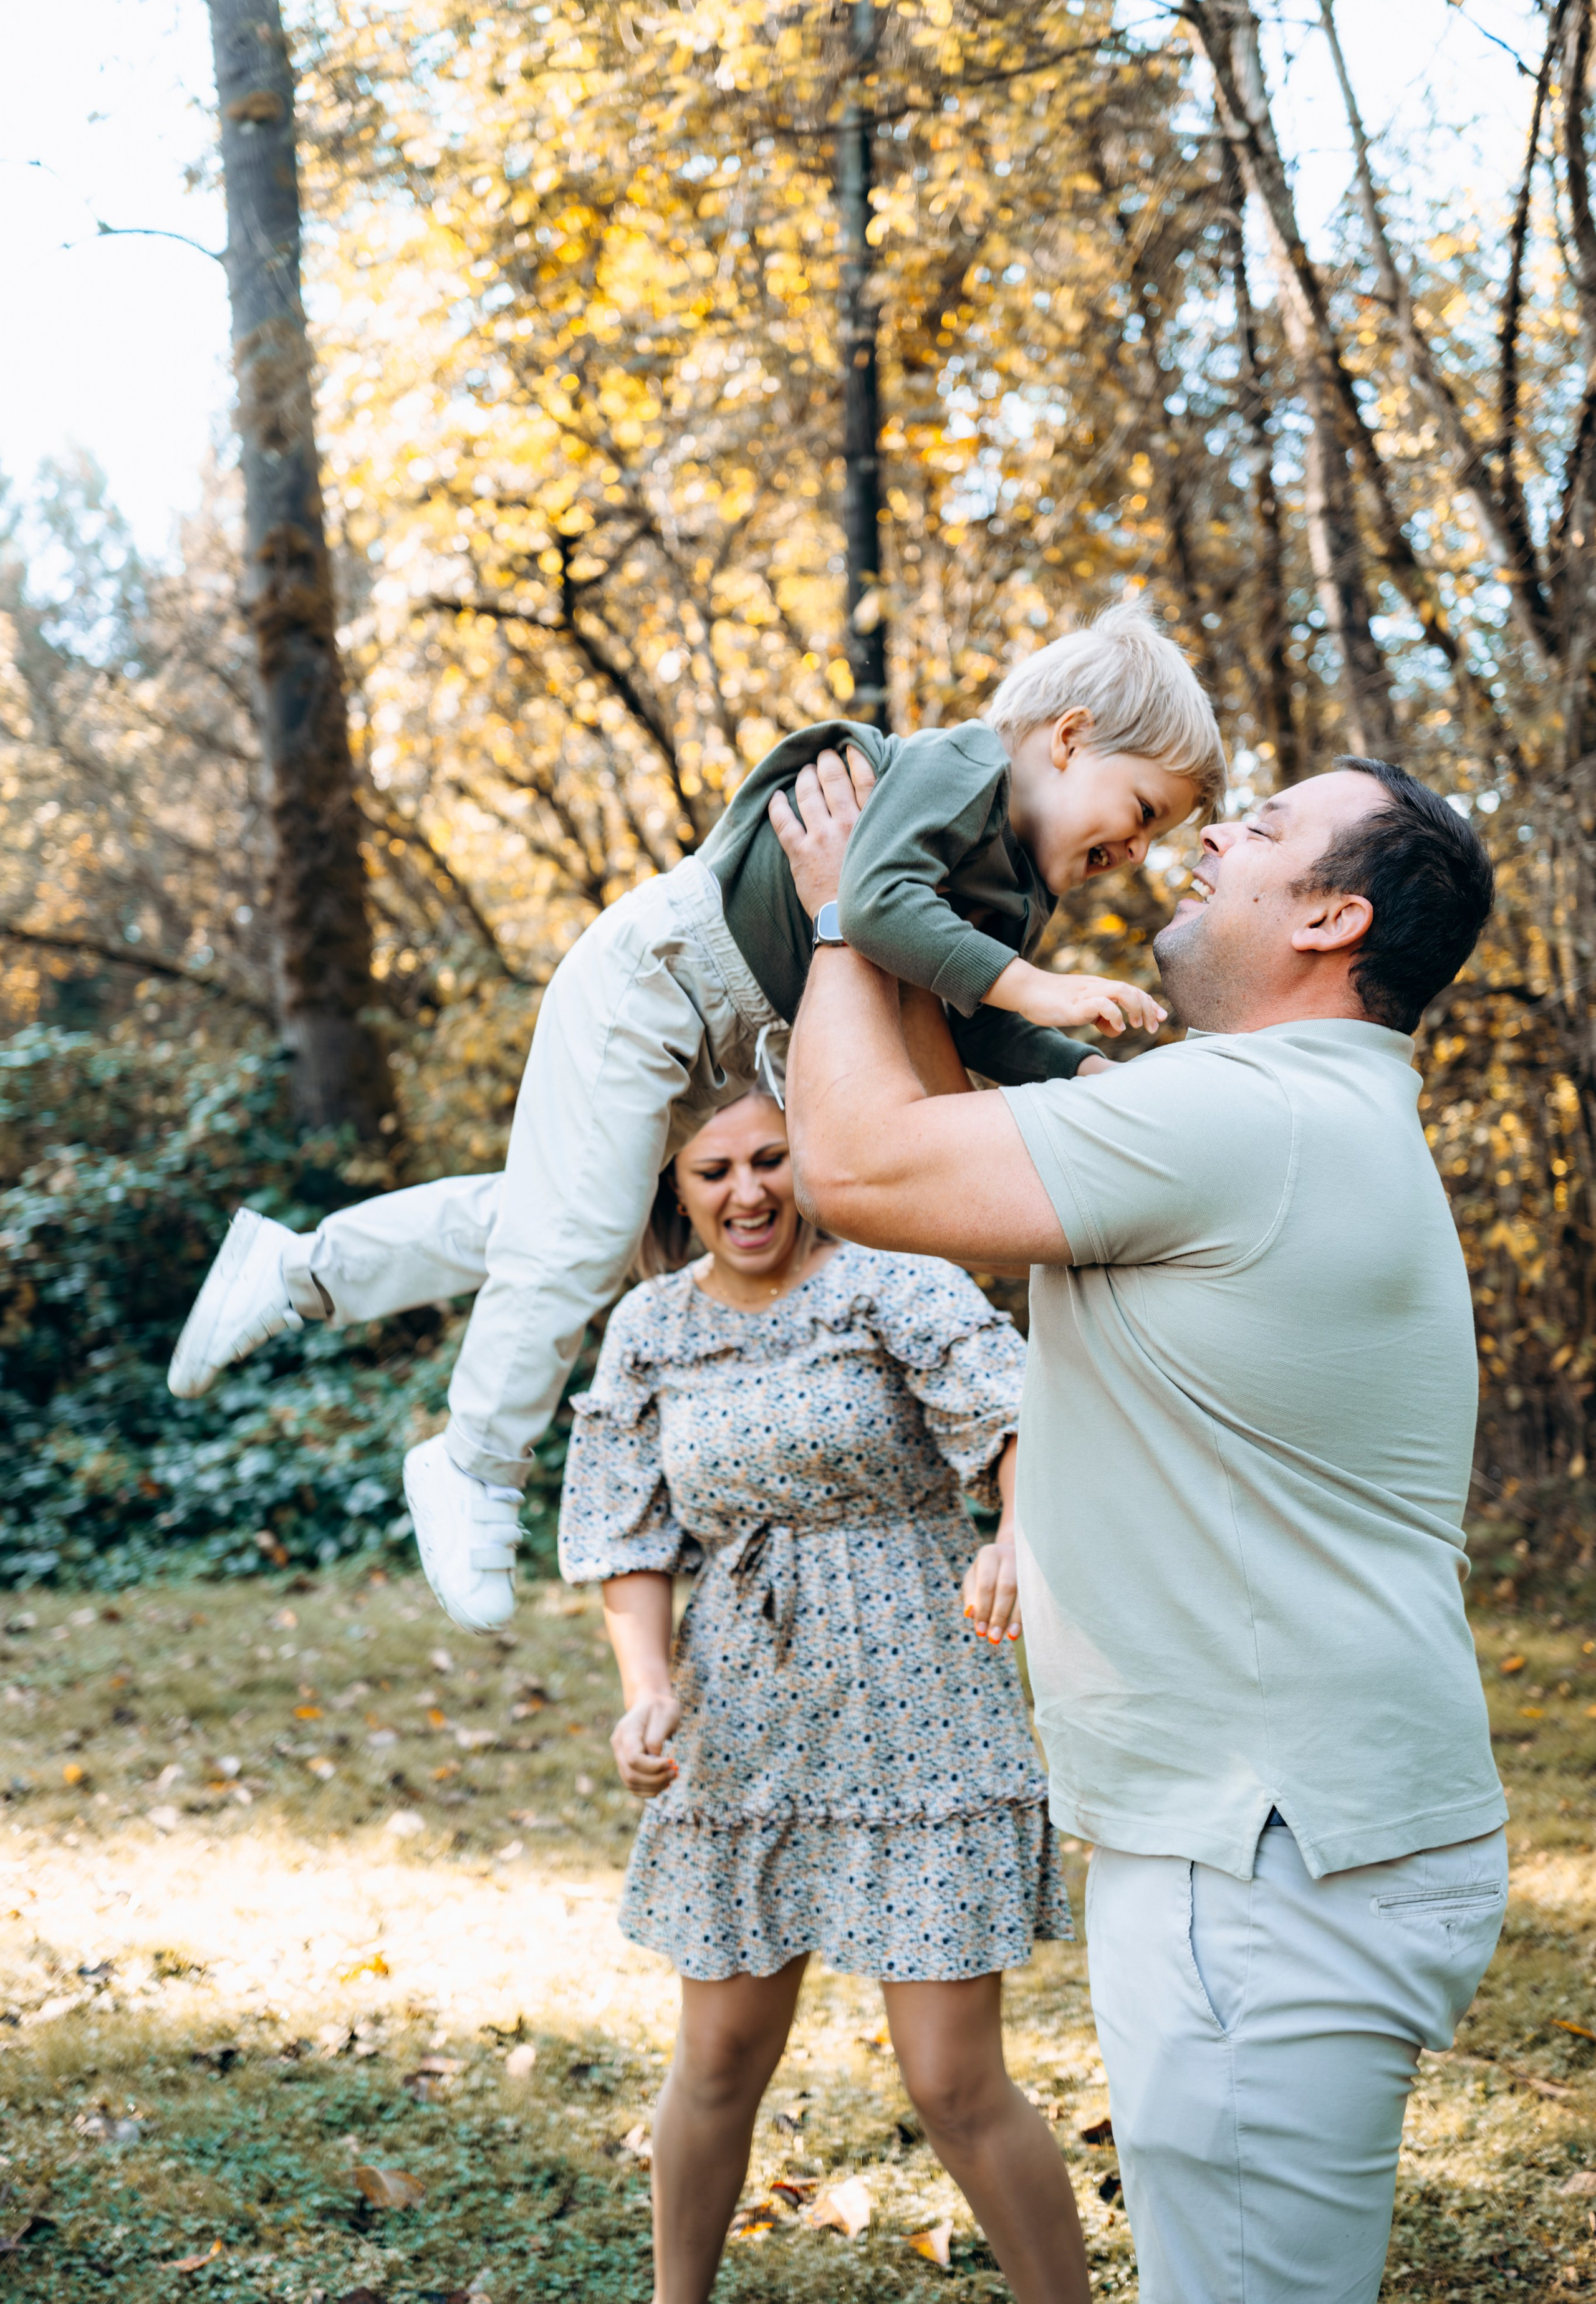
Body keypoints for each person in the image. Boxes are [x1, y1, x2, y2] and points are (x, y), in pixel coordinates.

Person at [770, 750, 1507, 2304]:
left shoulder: (1240, 1119)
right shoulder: (1274, 1114)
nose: (1217, 834)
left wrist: (846, 917)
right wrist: (916, 921)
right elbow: (941, 1127)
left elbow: (854, 1161)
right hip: (1277, 1829)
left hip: (1271, 1855)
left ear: (1329, 915)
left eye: (1265, 828)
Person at [164, 603, 1224, 1636]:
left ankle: (301, 1272)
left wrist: (1081, 1068)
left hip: (712, 1038)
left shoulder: (1011, 894)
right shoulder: (961, 769)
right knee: (573, 1237)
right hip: (662, 976)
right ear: (1072, 741)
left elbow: (963, 1018)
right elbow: (874, 904)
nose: (1137, 852)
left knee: (554, 1217)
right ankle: (474, 1461)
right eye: (1142, 812)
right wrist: (1033, 986)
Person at [560, 1077, 1089, 2304]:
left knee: (952, 2085)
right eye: (714, 1171)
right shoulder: (648, 1328)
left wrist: (1012, 1530)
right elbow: (624, 1533)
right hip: (743, 1713)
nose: (747, 1192)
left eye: (770, 1159)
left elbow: (1012, 1416)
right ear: (675, 1189)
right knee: (717, 2061)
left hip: (919, 1695)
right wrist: (645, 1693)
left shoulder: (892, 1281)